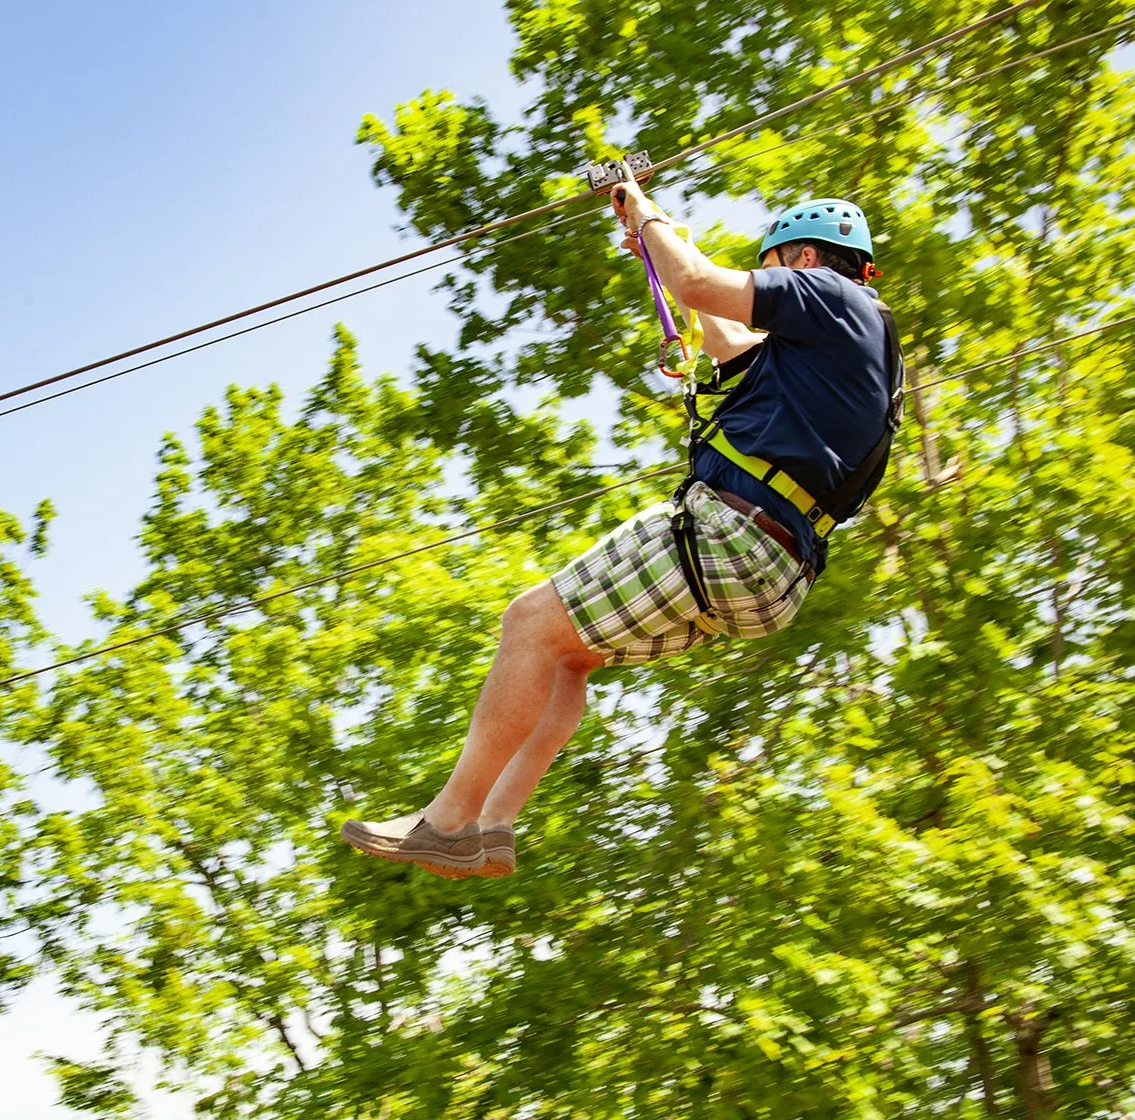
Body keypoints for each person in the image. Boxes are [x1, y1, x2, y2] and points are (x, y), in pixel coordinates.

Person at [341, 181, 904, 879]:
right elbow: (716, 320)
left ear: (808, 256)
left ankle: (445, 820)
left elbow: (696, 280)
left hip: (730, 538)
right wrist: (651, 238)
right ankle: (492, 827)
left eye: (777, 264)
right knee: (568, 656)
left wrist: (650, 215)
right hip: (773, 579)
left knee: (529, 623)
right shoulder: (849, 348)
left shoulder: (825, 294)